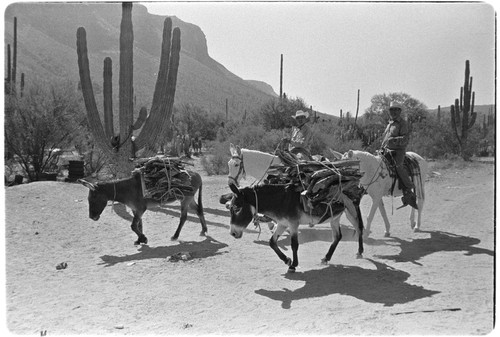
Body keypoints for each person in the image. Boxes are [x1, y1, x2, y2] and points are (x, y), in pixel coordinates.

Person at [381, 102, 418, 209]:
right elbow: (385, 138)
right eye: (391, 110)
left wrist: (392, 141)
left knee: (398, 166)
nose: (393, 112)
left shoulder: (403, 123)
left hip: (398, 150)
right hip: (387, 150)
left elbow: (405, 139)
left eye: (395, 110)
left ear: (399, 111)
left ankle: (408, 188)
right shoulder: (390, 124)